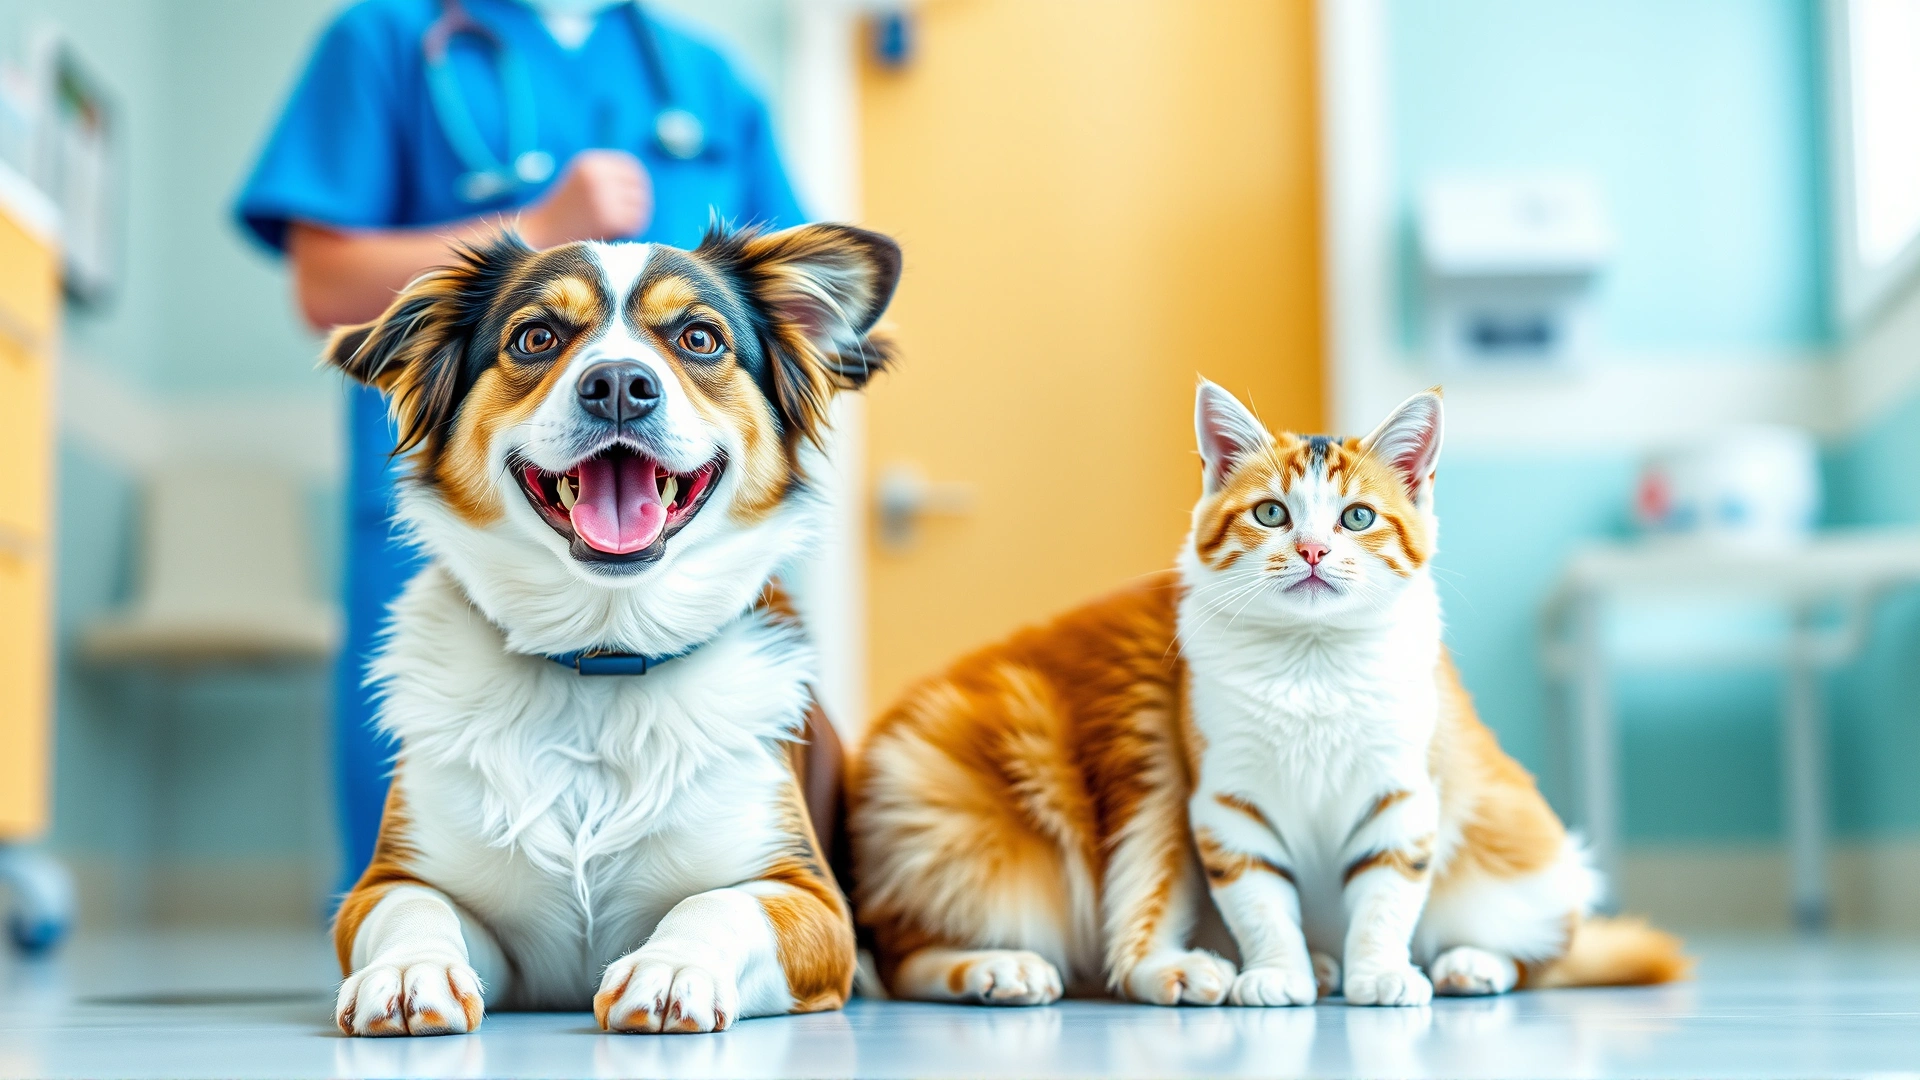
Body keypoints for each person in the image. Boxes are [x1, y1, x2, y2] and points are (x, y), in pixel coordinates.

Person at [234, 0, 806, 890]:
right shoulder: (385, 39)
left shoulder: (708, 78)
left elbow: (792, 316)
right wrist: (538, 231)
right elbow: (326, 284)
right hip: (478, 512)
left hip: (679, 529)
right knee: (432, 893)